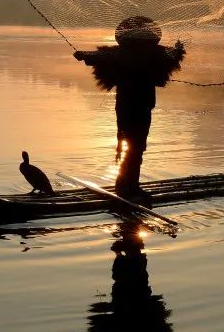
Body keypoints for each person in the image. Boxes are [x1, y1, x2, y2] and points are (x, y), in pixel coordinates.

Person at [74, 16, 185, 199]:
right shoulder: (155, 54)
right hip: (142, 108)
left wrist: (82, 55)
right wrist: (179, 47)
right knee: (137, 146)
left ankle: (124, 184)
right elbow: (175, 54)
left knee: (128, 143)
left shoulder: (118, 54)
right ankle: (130, 186)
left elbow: (93, 56)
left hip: (124, 107)